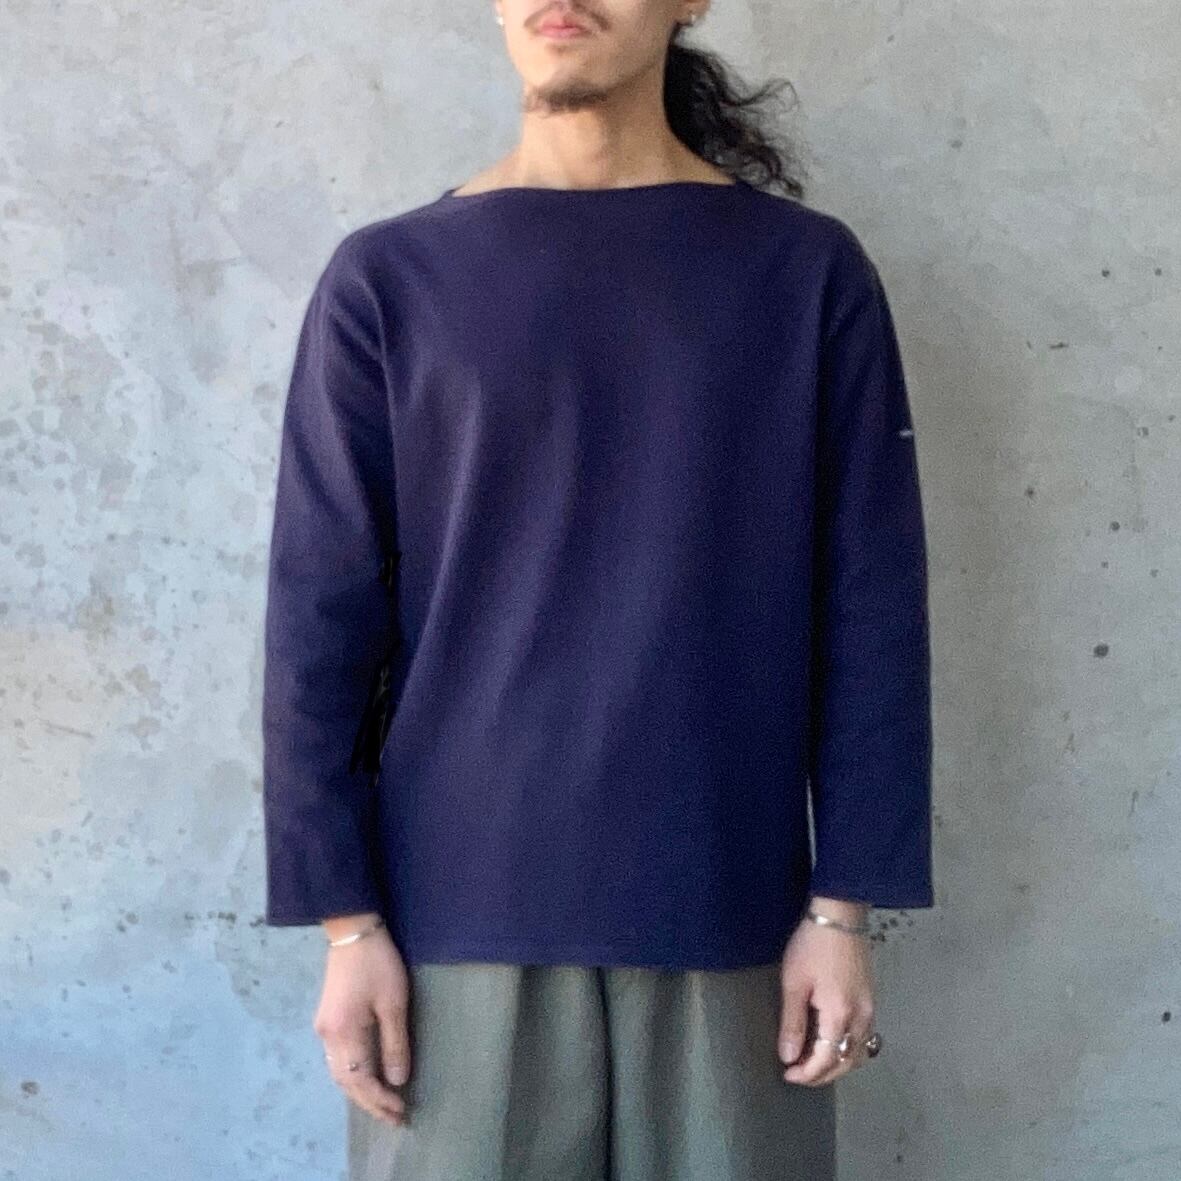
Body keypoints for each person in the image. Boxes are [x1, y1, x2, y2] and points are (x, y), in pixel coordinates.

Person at [260, 1, 934, 1178]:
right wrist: (344, 923)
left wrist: (843, 905)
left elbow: (870, 606)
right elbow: (319, 618)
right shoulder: (390, 279)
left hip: (730, 903)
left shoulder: (802, 274)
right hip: (454, 921)